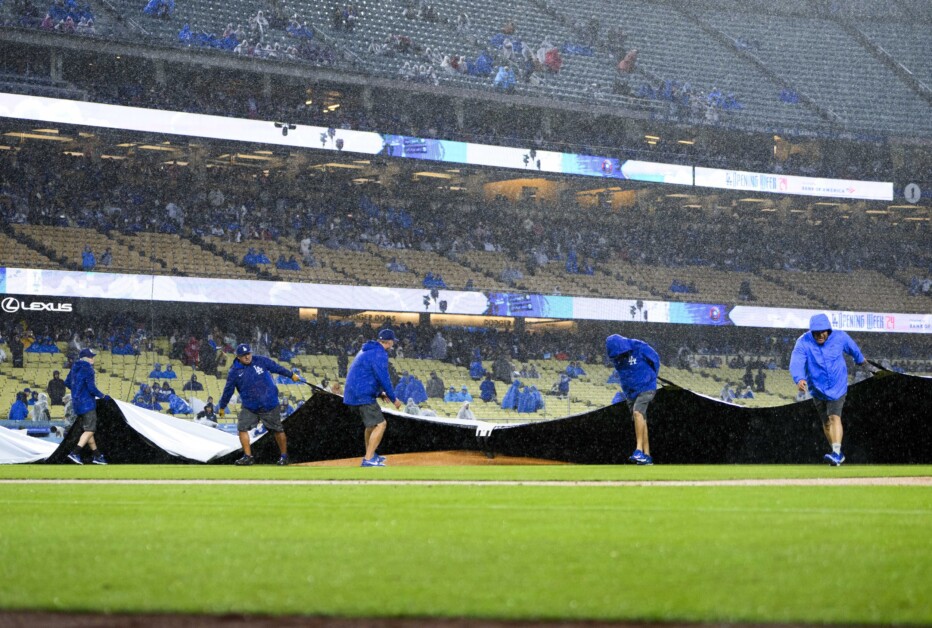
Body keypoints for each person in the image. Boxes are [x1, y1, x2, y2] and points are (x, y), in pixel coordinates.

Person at [790, 313, 877, 466]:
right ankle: (837, 453)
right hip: (817, 388)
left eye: (822, 331)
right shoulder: (803, 342)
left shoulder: (840, 337)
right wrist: (799, 378)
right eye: (815, 332)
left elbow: (854, 351)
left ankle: (836, 453)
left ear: (828, 330)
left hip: (837, 386)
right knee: (826, 423)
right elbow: (796, 361)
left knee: (834, 417)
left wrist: (865, 364)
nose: (819, 335)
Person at [218, 343, 302, 466]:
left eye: (248, 354)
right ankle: (248, 456)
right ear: (238, 357)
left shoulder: (261, 360)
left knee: (278, 429)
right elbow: (228, 390)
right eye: (243, 355)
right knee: (242, 428)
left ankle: (284, 456)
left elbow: (276, 367)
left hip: (269, 404)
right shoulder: (234, 372)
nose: (247, 357)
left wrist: (291, 375)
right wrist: (222, 406)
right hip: (250, 407)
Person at [342, 329, 402, 467]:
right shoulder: (379, 353)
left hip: (353, 394)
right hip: (362, 395)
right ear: (389, 342)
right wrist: (394, 399)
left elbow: (365, 375)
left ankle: (370, 454)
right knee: (381, 424)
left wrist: (379, 393)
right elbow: (383, 378)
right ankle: (368, 459)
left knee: (371, 425)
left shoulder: (366, 350)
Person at [606, 334, 660, 465]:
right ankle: (647, 456)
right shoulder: (616, 357)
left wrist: (651, 377)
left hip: (646, 386)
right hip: (630, 391)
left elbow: (655, 359)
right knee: (641, 418)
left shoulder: (639, 346)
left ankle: (638, 450)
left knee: (637, 413)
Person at [64, 348, 109, 464]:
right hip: (87, 403)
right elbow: (91, 388)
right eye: (91, 357)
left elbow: (67, 382)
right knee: (90, 430)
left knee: (88, 431)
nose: (93, 359)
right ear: (86, 358)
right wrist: (103, 396)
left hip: (76, 404)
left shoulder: (74, 366)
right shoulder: (88, 368)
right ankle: (75, 452)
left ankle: (97, 455)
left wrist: (77, 391)